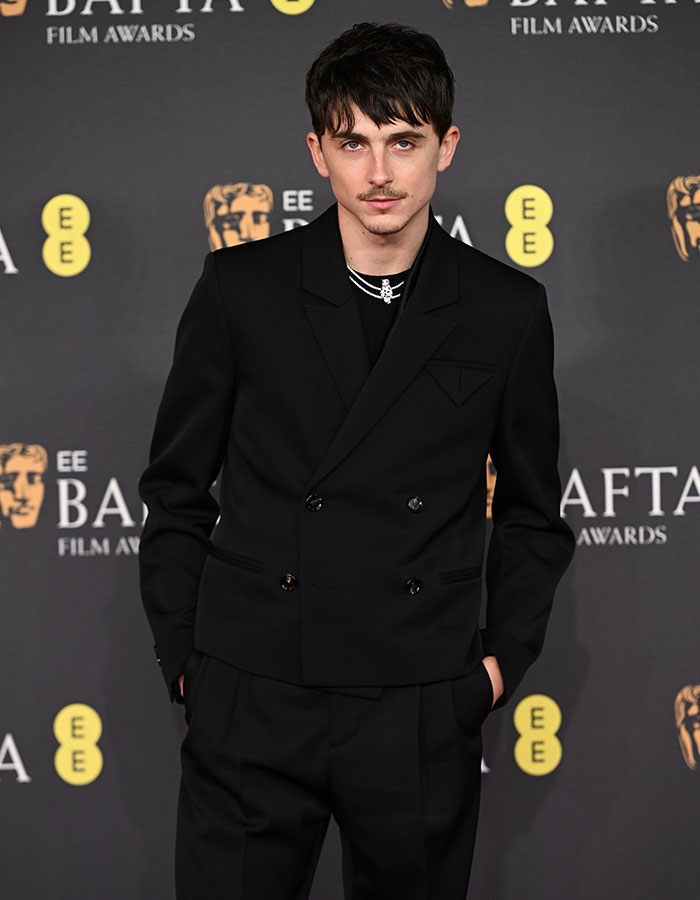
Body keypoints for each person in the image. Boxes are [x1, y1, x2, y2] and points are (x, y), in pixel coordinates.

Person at [137, 21, 575, 900]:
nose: (380, 173)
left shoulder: (505, 309)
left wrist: (493, 671)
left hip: (416, 698)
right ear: (317, 152)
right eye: (355, 143)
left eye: (404, 141)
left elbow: (532, 512)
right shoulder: (241, 290)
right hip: (253, 693)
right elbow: (176, 490)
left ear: (445, 148)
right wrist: (190, 657)